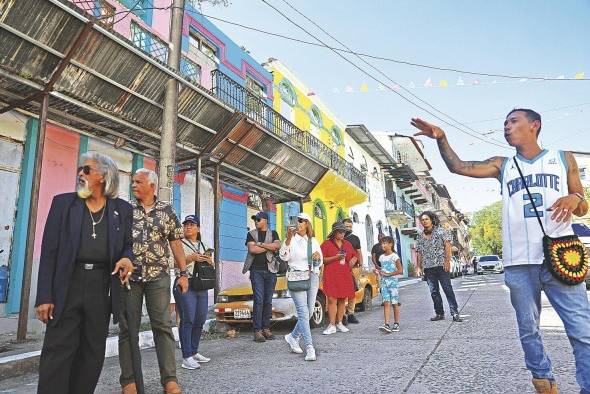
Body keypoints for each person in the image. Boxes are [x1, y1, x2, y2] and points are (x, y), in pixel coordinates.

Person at [412, 109, 590, 394]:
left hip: (560, 255)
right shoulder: (502, 165)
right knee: (528, 329)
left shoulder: (562, 158)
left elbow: (582, 207)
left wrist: (575, 197)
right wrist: (441, 139)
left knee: (582, 331)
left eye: (513, 121)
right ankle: (544, 382)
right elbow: (459, 166)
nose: (506, 127)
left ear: (534, 125)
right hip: (519, 262)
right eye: (504, 122)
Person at [35, 152, 134, 394]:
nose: (80, 174)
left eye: (87, 170)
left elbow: (128, 246)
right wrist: (44, 296)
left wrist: (126, 258)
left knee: (92, 352)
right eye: (80, 169)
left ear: (103, 176)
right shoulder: (63, 204)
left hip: (101, 286)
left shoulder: (122, 209)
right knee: (58, 350)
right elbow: (49, 252)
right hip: (67, 284)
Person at [118, 168, 189, 394]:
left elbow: (175, 242)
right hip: (130, 278)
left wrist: (183, 273)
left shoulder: (167, 211)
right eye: (133, 182)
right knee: (128, 329)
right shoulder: (126, 209)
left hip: (158, 277)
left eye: (138, 182)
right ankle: (128, 381)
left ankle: (170, 380)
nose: (134, 185)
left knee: (163, 327)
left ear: (152, 185)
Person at [280, 213, 322, 361]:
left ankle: (293, 336)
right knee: (303, 312)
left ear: (307, 224)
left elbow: (320, 261)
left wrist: (317, 257)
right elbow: (283, 256)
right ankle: (310, 347)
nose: (298, 223)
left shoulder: (313, 241)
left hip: (312, 277)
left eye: (301, 221)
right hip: (296, 277)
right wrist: (288, 238)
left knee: (309, 311)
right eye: (296, 220)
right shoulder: (290, 240)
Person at [173, 215, 213, 370]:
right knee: (187, 319)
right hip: (185, 283)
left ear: (198, 228)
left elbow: (210, 263)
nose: (188, 227)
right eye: (186, 224)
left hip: (200, 285)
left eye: (191, 224)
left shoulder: (203, 244)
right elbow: (174, 262)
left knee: (200, 319)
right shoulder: (178, 243)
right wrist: (192, 258)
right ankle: (186, 356)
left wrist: (208, 260)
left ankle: (194, 351)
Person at [415, 211, 462, 323]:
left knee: (447, 289)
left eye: (427, 219)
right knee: (434, 291)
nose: (424, 221)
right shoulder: (420, 236)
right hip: (428, 267)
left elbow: (447, 246)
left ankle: (454, 312)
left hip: (441, 265)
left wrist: (447, 261)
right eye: (422, 220)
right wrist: (418, 266)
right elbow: (419, 252)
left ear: (432, 220)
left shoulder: (441, 232)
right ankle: (439, 313)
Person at [243, 211, 281, 342]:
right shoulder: (251, 234)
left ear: (265, 220)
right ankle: (257, 331)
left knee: (268, 301)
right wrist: (270, 247)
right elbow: (252, 250)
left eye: (258, 219)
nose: (256, 221)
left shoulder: (273, 233)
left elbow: (278, 246)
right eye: (255, 220)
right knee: (259, 300)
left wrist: (261, 244)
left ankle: (266, 329)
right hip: (256, 271)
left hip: (271, 270)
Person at [320, 222, 357, 335]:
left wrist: (353, 260)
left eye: (344, 232)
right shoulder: (326, 244)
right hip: (331, 275)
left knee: (342, 299)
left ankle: (339, 323)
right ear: (334, 232)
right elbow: (322, 260)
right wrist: (335, 258)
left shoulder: (347, 244)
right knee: (332, 299)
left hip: (344, 274)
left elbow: (354, 255)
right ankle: (332, 324)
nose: (342, 234)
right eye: (340, 232)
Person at [376, 236, 403, 333]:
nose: (382, 245)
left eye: (384, 243)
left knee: (394, 303)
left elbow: (400, 270)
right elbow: (383, 270)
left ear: (391, 244)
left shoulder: (395, 256)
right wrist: (378, 272)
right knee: (386, 302)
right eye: (382, 243)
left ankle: (396, 324)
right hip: (384, 283)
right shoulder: (381, 257)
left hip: (393, 284)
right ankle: (386, 324)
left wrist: (389, 274)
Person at [342, 218, 361, 325]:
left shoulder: (355, 238)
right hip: (341, 269)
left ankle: (351, 314)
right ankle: (343, 315)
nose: (349, 229)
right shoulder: (337, 238)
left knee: (352, 291)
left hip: (354, 268)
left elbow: (359, 252)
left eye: (350, 227)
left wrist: (360, 264)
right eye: (346, 226)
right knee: (342, 292)